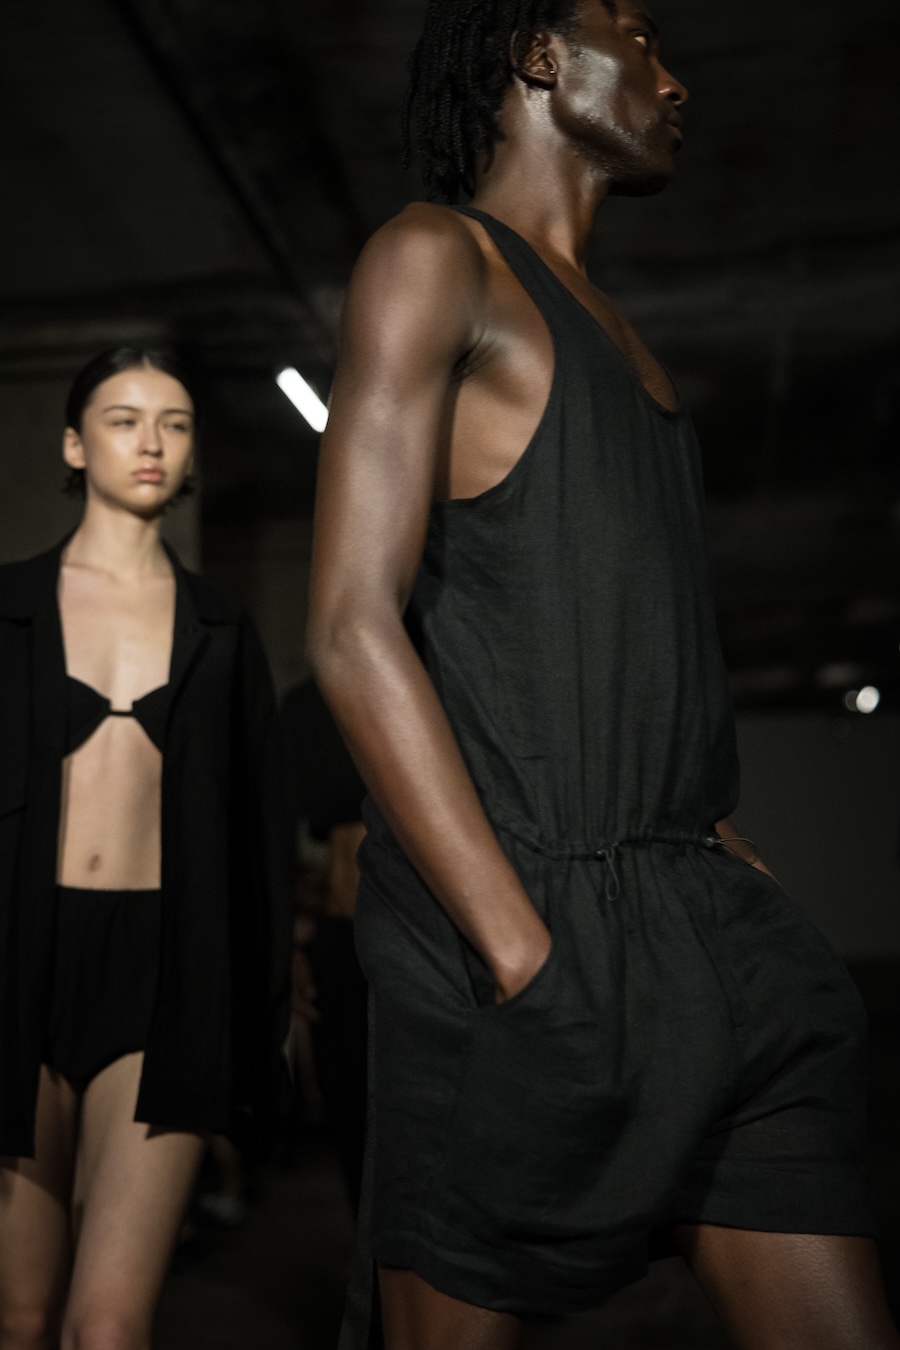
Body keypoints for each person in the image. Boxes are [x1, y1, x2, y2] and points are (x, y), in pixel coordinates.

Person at [308, 2, 900, 1348]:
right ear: (537, 54)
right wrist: (519, 948)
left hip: (707, 929)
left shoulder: (626, 338)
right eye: (636, 34)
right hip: (521, 928)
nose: (674, 79)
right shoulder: (433, 257)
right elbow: (348, 626)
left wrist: (726, 861)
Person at [0, 347, 290, 1350]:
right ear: (75, 446)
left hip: (168, 970)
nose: (152, 442)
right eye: (123, 420)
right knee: (20, 1317)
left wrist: (264, 1011)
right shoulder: (8, 609)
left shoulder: (222, 626)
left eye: (175, 422)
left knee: (111, 1326)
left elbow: (258, 837)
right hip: (19, 960)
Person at [281, 678, 369, 1210]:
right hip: (339, 939)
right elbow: (272, 829)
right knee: (352, 1125)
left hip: (422, 943)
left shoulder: (443, 676)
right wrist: (287, 943)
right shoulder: (309, 705)